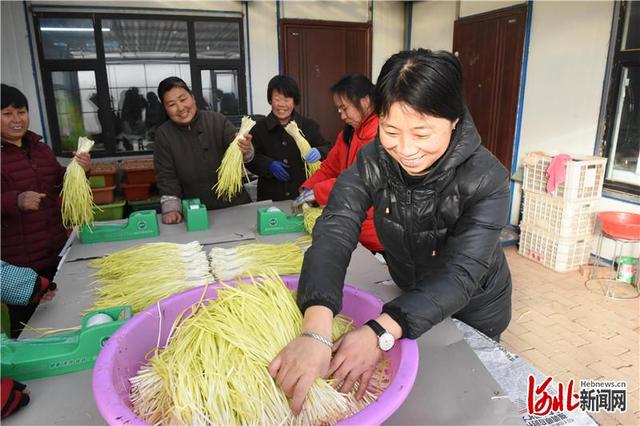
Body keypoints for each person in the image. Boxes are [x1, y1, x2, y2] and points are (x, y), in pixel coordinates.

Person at [269, 49, 513, 415]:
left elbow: (462, 275)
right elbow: (336, 228)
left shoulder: (487, 178)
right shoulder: (375, 159)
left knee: (460, 393)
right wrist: (316, 329)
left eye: (421, 132)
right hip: (408, 289)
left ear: (455, 121)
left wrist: (379, 331)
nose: (406, 149)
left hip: (473, 306)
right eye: (391, 130)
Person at [1, 84, 91, 336]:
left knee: (62, 322)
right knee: (31, 330)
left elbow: (58, 180)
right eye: (7, 113)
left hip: (54, 253)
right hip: (18, 267)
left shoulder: (40, 148)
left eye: (21, 112)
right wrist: (14, 200)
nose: (17, 119)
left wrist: (79, 170)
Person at [294, 73, 383, 253]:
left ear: (365, 101)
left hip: (376, 233)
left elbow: (360, 180)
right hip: (354, 227)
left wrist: (317, 193)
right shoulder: (348, 134)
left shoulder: (382, 135)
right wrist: (308, 188)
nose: (341, 115)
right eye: (339, 110)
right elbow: (329, 167)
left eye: (344, 108)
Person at [153, 77, 252, 224]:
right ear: (165, 109)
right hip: (195, 213)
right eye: (172, 104)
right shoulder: (164, 135)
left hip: (235, 205)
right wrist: (171, 209)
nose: (180, 108)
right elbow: (166, 175)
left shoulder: (216, 120)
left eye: (183, 99)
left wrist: (246, 150)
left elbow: (242, 155)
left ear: (192, 97)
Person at [241, 75, 331, 201]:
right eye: (277, 99)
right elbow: (250, 159)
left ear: (294, 101)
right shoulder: (258, 128)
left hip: (302, 194)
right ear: (270, 100)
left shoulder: (308, 126)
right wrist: (268, 165)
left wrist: (320, 152)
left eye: (287, 99)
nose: (282, 105)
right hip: (270, 197)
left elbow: (328, 148)